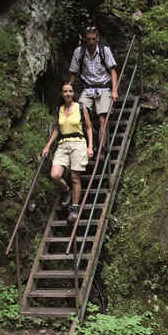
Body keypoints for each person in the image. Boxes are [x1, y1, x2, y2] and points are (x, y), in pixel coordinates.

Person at [42, 83, 94, 224]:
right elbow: (57, 130)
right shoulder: (59, 109)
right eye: (65, 91)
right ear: (61, 93)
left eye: (70, 91)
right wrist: (47, 146)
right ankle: (66, 190)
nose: (68, 94)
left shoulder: (80, 108)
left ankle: (74, 208)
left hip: (78, 143)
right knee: (55, 175)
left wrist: (90, 146)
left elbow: (88, 128)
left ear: (73, 93)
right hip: (63, 144)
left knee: (75, 177)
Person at [69, 26, 118, 149]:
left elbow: (113, 71)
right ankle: (91, 131)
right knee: (80, 114)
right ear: (85, 39)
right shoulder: (79, 52)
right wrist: (69, 90)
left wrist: (114, 90)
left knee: (102, 119)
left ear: (98, 38)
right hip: (88, 88)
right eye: (88, 39)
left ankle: (101, 148)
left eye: (93, 39)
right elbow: (73, 73)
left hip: (104, 87)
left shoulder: (104, 51)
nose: (91, 42)